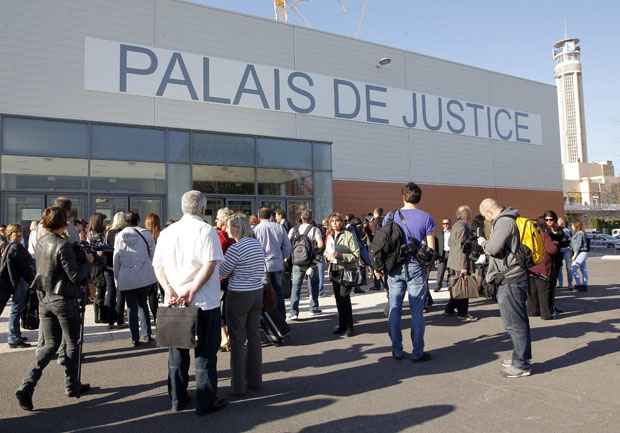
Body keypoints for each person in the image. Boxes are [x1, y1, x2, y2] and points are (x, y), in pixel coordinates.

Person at [152, 190, 227, 415]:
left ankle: (177, 398)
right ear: (203, 208)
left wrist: (169, 289)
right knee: (205, 354)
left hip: (174, 302)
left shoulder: (167, 232)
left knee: (177, 354)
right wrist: (192, 289)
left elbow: (158, 266)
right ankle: (205, 402)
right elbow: (210, 263)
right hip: (204, 302)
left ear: (183, 207)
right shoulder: (206, 230)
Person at [15, 207, 93, 411]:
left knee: (50, 345)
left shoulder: (41, 242)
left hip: (45, 298)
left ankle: (27, 384)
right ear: (61, 223)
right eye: (65, 220)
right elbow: (76, 277)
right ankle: (72, 385)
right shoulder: (62, 245)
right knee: (72, 343)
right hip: (63, 300)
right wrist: (89, 263)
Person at [380, 183, 435, 361]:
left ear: (403, 197)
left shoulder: (391, 216)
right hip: (416, 266)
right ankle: (417, 351)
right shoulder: (427, 218)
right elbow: (430, 249)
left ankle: (397, 350)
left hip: (394, 266)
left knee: (394, 308)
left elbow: (384, 241)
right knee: (417, 311)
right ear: (419, 198)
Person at [478, 198, 532, 378]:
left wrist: (483, 243)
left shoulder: (504, 221)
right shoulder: (508, 220)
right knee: (515, 322)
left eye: (487, 218)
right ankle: (520, 358)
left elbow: (493, 248)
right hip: (512, 278)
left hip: (511, 279)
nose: (488, 222)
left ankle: (521, 364)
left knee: (515, 324)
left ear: (488, 212)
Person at [220, 214, 266, 396]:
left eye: (229, 227)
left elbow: (222, 272)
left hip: (239, 294)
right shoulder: (256, 244)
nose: (226, 230)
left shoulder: (235, 248)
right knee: (254, 337)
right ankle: (255, 379)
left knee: (238, 340)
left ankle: (239, 385)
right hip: (257, 292)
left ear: (236, 228)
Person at [113, 211, 156, 347]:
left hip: (126, 276)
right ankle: (147, 334)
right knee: (143, 304)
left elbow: (116, 258)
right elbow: (153, 253)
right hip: (144, 275)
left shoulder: (119, 236)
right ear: (138, 220)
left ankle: (134, 338)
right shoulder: (146, 234)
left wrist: (117, 278)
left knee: (131, 308)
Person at [0, 224, 36, 348]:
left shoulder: (13, 246)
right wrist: (19, 283)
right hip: (18, 283)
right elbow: (16, 269)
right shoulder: (14, 247)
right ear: (10, 235)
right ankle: (14, 338)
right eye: (16, 233)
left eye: (20, 232)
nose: (20, 235)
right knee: (16, 310)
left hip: (18, 283)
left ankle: (16, 335)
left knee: (17, 310)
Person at [324, 212, 360, 337]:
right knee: (338, 299)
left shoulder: (348, 235)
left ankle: (349, 327)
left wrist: (340, 255)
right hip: (333, 269)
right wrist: (327, 257)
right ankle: (341, 325)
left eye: (337, 221)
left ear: (342, 222)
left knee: (345, 298)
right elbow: (326, 252)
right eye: (332, 221)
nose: (335, 223)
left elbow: (356, 255)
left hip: (346, 270)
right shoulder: (329, 235)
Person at [253, 208, 292, 319]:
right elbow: (287, 247)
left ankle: (268, 318)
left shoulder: (256, 230)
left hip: (262, 265)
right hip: (277, 264)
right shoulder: (279, 227)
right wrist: (282, 257)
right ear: (271, 216)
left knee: (265, 294)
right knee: (278, 292)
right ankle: (281, 317)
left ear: (259, 216)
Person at [287, 209, 324, 321]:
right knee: (313, 284)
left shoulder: (293, 229)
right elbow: (321, 244)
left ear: (301, 218)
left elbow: (288, 244)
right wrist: (315, 253)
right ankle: (313, 307)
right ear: (311, 218)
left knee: (296, 287)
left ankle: (294, 312)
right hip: (311, 262)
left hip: (297, 262)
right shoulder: (314, 229)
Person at [445, 206, 477, 322]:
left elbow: (450, 243)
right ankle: (463, 313)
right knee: (463, 287)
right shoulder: (463, 227)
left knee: (456, 286)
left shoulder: (455, 226)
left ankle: (449, 309)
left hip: (453, 260)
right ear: (467, 215)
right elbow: (463, 248)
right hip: (460, 262)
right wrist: (464, 266)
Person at [527, 218, 559, 320]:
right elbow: (552, 250)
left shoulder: (528, 236)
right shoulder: (544, 235)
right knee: (544, 292)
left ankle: (533, 311)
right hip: (543, 267)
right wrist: (555, 244)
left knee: (532, 292)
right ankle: (546, 314)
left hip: (531, 267)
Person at [215, 207, 235, 352]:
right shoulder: (232, 234)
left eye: (217, 217)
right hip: (232, 276)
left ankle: (224, 337)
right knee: (227, 308)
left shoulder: (220, 236)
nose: (215, 220)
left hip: (220, 277)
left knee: (221, 309)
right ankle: (227, 335)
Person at [104, 212, 126, 328]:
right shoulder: (124, 233)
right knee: (120, 293)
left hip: (108, 265)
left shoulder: (109, 232)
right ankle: (119, 319)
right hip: (121, 265)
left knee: (110, 292)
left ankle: (110, 320)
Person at [86, 213, 108, 324]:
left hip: (95, 265)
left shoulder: (91, 234)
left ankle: (99, 315)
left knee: (99, 289)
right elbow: (99, 252)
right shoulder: (96, 235)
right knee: (100, 289)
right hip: (97, 266)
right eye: (104, 221)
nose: (105, 223)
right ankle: (99, 316)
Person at [144, 213, 162, 325]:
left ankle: (155, 317)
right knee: (159, 294)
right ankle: (159, 316)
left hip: (149, 268)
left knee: (151, 294)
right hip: (161, 268)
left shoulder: (145, 236)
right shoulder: (161, 235)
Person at [570, 221, 589, 291]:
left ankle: (579, 284)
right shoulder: (579, 233)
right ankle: (584, 285)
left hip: (580, 253)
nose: (571, 227)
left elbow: (577, 245)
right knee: (583, 269)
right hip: (582, 253)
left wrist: (574, 256)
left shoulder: (579, 233)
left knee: (573, 268)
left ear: (576, 226)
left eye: (572, 225)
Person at [556, 217, 573, 289]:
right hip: (559, 250)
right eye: (559, 222)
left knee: (568, 267)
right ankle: (560, 284)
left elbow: (570, 240)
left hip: (567, 249)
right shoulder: (556, 230)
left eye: (562, 222)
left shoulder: (567, 230)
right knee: (559, 267)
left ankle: (570, 284)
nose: (560, 223)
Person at [435, 219, 452, 292]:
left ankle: (450, 285)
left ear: (449, 224)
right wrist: (436, 257)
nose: (445, 225)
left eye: (447, 223)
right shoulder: (439, 234)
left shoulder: (453, 233)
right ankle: (438, 286)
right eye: (444, 223)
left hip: (451, 253)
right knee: (440, 271)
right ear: (442, 225)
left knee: (451, 271)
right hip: (442, 254)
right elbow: (436, 246)